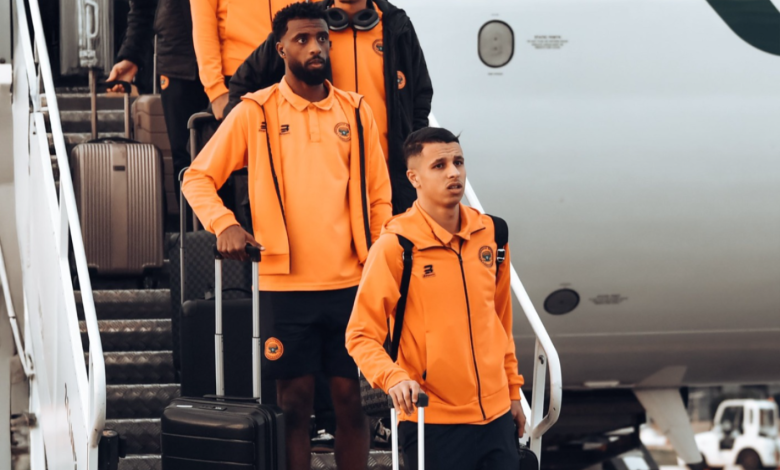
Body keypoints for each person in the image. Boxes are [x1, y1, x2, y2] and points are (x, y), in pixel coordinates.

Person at [181, 4, 392, 469]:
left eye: (321, 39)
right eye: (302, 39)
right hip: (284, 287)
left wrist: (379, 255)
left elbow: (380, 196)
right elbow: (196, 177)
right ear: (280, 49)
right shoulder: (254, 111)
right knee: (293, 406)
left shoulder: (356, 110)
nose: (315, 47)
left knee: (352, 403)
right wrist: (225, 224)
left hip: (351, 285)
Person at [345, 127, 527, 470]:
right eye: (439, 166)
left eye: (458, 162)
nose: (453, 172)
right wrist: (392, 377)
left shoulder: (493, 235)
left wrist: (513, 393)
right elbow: (360, 335)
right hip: (431, 420)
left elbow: (501, 324)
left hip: (496, 417)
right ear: (414, 178)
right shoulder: (397, 246)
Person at [225, 0, 433, 214]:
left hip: (391, 181)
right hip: (323, 183)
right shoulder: (306, 25)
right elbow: (243, 83)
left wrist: (413, 152)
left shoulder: (396, 25)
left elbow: (420, 94)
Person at [106, 0, 209, 199]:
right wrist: (131, 55)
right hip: (179, 61)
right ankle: (192, 220)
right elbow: (143, 7)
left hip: (232, 61)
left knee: (236, 160)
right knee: (186, 161)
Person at [190, 0, 298, 120]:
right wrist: (216, 91)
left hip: (291, 71)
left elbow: (313, 11)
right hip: (238, 77)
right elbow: (204, 25)